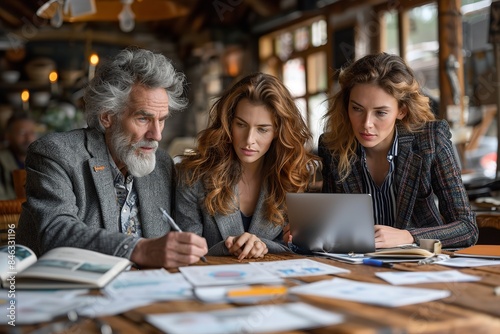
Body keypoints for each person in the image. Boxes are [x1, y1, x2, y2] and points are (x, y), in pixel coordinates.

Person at [17, 47, 208, 268]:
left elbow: (189, 229)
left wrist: (232, 244)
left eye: (162, 119)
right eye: (143, 119)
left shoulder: (162, 165)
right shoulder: (55, 154)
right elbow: (56, 232)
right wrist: (139, 249)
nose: (157, 135)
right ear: (108, 117)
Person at [318, 53, 478, 249]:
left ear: (401, 110)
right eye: (357, 109)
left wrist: (408, 236)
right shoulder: (332, 147)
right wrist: (311, 231)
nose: (366, 124)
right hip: (358, 263)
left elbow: (468, 228)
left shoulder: (430, 140)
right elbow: (333, 223)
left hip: (420, 265)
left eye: (381, 112)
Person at [175, 72, 321, 259]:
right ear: (228, 123)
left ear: (277, 131)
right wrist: (229, 247)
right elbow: (186, 251)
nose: (249, 140)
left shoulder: (292, 177)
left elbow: (299, 248)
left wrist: (264, 245)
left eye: (262, 129)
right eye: (241, 125)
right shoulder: (192, 176)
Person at [0, 112, 37, 200]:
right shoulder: (2, 162)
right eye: (22, 133)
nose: (28, 138)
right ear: (8, 136)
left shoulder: (41, 161)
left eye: (31, 132)